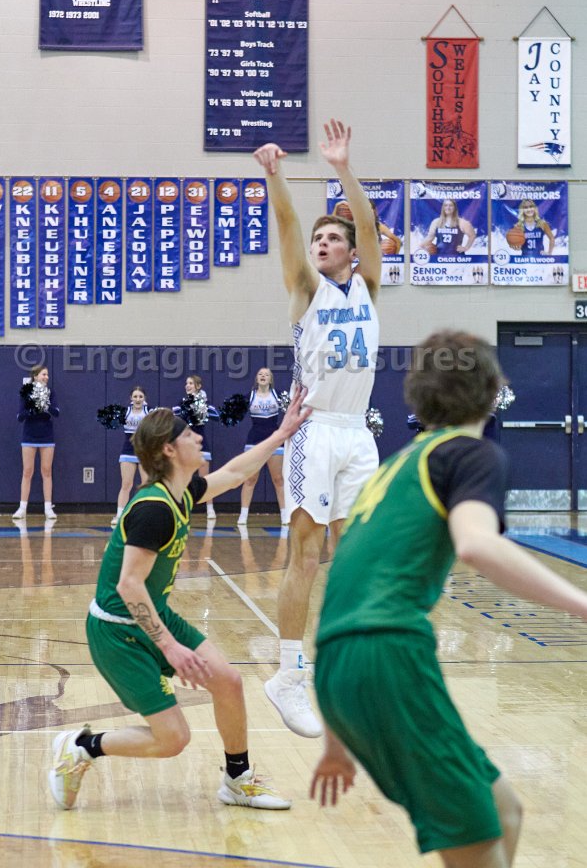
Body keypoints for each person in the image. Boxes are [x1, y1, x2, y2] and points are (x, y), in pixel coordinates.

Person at [310, 330, 587, 868]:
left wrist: (337, 742)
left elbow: (346, 589)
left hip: (338, 664)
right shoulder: (470, 454)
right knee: (478, 843)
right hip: (388, 656)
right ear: (495, 389)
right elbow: (476, 544)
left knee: (503, 810)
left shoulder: (394, 467)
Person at [47, 390, 311, 813]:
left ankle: (238, 780)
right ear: (169, 449)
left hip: (154, 616)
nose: (199, 437)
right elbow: (129, 585)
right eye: (189, 435)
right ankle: (83, 747)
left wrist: (281, 434)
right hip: (118, 633)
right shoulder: (153, 509)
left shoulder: (183, 492)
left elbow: (234, 472)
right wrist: (170, 647)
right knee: (173, 739)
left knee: (228, 681)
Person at [253, 118, 382, 738]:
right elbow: (286, 226)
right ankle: (288, 675)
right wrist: (275, 177)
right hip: (315, 428)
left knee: (357, 557)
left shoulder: (368, 286)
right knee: (305, 555)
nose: (323, 242)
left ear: (352, 252)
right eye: (320, 237)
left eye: (334, 237)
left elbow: (369, 226)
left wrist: (342, 168)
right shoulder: (307, 289)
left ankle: (349, 670)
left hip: (358, 433)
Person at [237, 367, 287, 537]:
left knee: (278, 479)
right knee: (250, 479)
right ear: (256, 379)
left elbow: (292, 411)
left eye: (266, 374)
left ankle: (284, 515)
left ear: (271, 379)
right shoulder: (249, 396)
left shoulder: (279, 396)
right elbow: (234, 413)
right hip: (254, 441)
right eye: (260, 374)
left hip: (274, 440)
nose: (263, 376)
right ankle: (243, 515)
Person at [12, 366, 59, 524]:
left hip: (47, 436)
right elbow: (20, 416)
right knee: (27, 471)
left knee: (47, 471)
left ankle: (48, 508)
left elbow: (56, 412)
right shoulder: (26, 392)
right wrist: (33, 409)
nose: (46, 377)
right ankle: (22, 508)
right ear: (35, 376)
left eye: (47, 374)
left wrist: (45, 406)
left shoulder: (50, 392)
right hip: (29, 436)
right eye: (44, 374)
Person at [173, 374, 218, 520]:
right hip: (185, 444)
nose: (188, 385)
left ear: (198, 386)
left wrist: (202, 407)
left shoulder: (204, 403)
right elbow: (174, 416)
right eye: (187, 383)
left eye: (191, 383)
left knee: (205, 479)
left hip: (201, 444)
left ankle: (210, 508)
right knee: (183, 478)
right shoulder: (182, 403)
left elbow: (216, 416)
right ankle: (180, 507)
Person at [111, 385, 149, 527]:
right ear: (131, 398)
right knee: (126, 484)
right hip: (128, 451)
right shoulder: (125, 412)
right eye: (135, 396)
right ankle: (120, 515)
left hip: (144, 452)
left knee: (145, 485)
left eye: (140, 396)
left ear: (144, 398)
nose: (138, 399)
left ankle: (145, 515)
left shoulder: (149, 411)